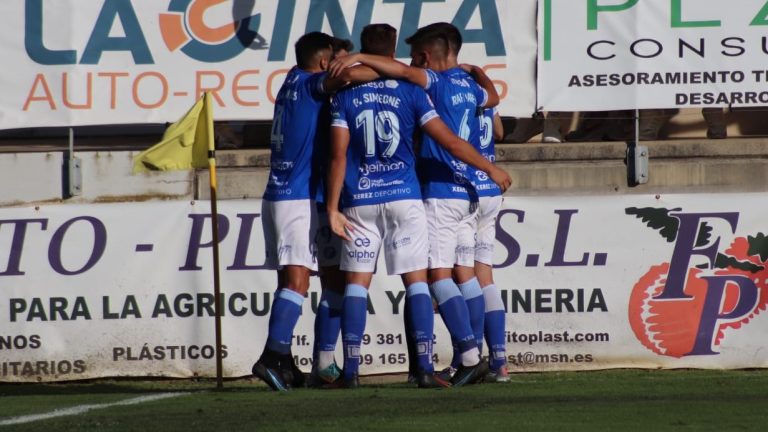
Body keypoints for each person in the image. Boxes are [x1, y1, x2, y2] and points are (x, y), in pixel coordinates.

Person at [327, 23, 511, 388]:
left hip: (380, 195)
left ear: (424, 57)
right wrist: (489, 166)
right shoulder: (455, 88)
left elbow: (337, 154)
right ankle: (454, 363)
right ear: (394, 50)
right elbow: (490, 117)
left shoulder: (353, 93)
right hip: (441, 190)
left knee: (368, 284)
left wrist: (332, 207)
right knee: (451, 278)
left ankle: (350, 371)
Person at [252, 31, 373, 392]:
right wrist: (382, 66)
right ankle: (271, 356)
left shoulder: (291, 78)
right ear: (324, 63)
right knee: (298, 282)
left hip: (284, 195)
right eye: (334, 60)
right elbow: (353, 77)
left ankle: (295, 361)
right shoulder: (310, 83)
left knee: (303, 279)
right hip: (295, 198)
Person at [455, 107, 510, 382]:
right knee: (485, 276)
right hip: (491, 189)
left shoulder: (450, 89)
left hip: (466, 189)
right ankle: (500, 363)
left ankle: (471, 357)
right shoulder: (485, 94)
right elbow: (499, 132)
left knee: (464, 276)